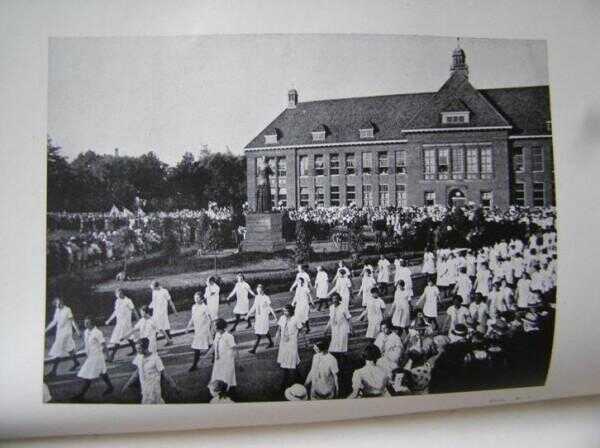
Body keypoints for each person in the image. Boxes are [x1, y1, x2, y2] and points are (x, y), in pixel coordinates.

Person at [122, 337, 179, 404]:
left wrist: (174, 386)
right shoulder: (139, 357)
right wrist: (127, 384)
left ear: (145, 348)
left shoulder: (155, 358)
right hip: (144, 387)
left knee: (153, 403)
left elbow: (164, 373)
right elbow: (137, 372)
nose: (137, 351)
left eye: (139, 348)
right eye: (136, 349)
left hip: (154, 388)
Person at [73, 317, 114, 400]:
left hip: (97, 357)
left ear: (92, 323)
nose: (85, 324)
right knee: (103, 372)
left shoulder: (97, 332)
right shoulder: (86, 332)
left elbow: (104, 345)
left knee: (88, 375)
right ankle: (110, 387)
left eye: (87, 323)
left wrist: (108, 356)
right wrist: (78, 349)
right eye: (85, 322)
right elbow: (86, 343)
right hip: (91, 356)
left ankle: (81, 395)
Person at [45, 297, 80, 377]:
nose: (58, 305)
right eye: (56, 304)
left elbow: (72, 321)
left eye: (59, 303)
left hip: (66, 334)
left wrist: (78, 331)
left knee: (58, 351)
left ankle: (53, 371)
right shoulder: (57, 310)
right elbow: (54, 321)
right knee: (70, 349)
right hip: (60, 333)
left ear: (62, 302)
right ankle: (76, 362)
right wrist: (46, 329)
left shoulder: (67, 309)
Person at [200, 318, 239, 390]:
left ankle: (228, 389)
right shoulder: (217, 335)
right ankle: (219, 388)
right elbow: (213, 346)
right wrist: (205, 357)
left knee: (226, 377)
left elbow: (234, 349)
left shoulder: (228, 336)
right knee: (217, 375)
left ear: (219, 327)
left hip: (227, 360)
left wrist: (238, 362)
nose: (213, 327)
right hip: (218, 359)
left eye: (214, 326)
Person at [105, 289, 138, 361]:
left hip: (126, 323)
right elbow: (115, 312)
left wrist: (138, 319)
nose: (118, 295)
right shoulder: (117, 301)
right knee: (128, 337)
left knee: (119, 339)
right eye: (116, 294)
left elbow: (134, 310)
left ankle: (112, 356)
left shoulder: (128, 301)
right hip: (119, 323)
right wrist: (109, 320)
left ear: (122, 293)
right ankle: (135, 350)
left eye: (119, 294)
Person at [276, 305, 303, 388]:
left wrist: (298, 337)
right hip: (283, 343)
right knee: (285, 360)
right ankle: (297, 379)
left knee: (292, 360)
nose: (285, 313)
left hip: (292, 343)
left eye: (286, 311)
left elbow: (301, 329)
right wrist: (276, 339)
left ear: (290, 311)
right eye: (284, 311)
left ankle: (288, 382)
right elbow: (279, 329)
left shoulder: (295, 319)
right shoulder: (282, 318)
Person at [245, 284, 277, 354]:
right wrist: (248, 315)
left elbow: (269, 308)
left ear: (263, 291)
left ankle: (254, 349)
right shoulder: (257, 297)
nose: (258, 292)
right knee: (264, 331)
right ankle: (271, 343)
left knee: (259, 334)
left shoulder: (266, 298)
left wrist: (275, 317)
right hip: (258, 317)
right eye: (257, 291)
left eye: (260, 291)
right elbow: (254, 307)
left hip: (264, 317)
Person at [185, 292, 212, 372]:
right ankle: (215, 355)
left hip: (204, 330)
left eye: (197, 298)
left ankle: (194, 365)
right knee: (208, 345)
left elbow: (210, 319)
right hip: (198, 330)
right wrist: (188, 327)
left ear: (202, 299)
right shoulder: (193, 307)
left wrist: (210, 328)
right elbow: (192, 318)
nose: (195, 299)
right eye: (195, 298)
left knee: (198, 347)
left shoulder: (205, 307)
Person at [325, 293, 353, 363]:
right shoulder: (331, 307)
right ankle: (337, 361)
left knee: (342, 346)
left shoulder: (343, 307)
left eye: (336, 298)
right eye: (333, 299)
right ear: (331, 300)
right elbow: (331, 319)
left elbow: (349, 318)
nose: (335, 300)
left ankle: (344, 361)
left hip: (343, 328)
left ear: (339, 299)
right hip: (335, 329)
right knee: (334, 346)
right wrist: (326, 328)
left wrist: (351, 328)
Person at [149, 281, 177, 346]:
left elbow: (170, 301)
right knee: (156, 326)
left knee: (163, 326)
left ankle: (152, 343)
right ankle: (168, 341)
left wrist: (175, 311)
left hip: (163, 313)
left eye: (153, 288)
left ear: (157, 286)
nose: (153, 289)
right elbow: (153, 301)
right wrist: (148, 308)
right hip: (156, 312)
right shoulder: (154, 292)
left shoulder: (164, 291)